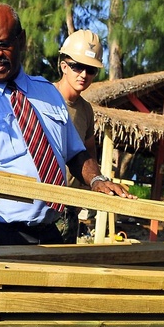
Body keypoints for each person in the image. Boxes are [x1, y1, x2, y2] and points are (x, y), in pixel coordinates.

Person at [0, 3, 133, 247]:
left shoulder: (48, 93)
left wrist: (96, 180)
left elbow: (75, 153)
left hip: (48, 235)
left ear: (21, 39)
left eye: (2, 44)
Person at [54, 29, 102, 242]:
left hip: (70, 209)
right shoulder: (43, 98)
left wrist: (93, 183)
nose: (84, 74)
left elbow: (89, 152)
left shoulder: (86, 111)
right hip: (40, 206)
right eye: (77, 66)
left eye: (90, 69)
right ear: (64, 66)